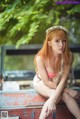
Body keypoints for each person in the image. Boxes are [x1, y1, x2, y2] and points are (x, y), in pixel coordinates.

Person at [33, 26, 80, 119]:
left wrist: (56, 97)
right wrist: (68, 90)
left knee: (62, 96)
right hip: (41, 82)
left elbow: (64, 78)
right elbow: (46, 82)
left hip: (57, 84)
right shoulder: (40, 58)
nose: (61, 44)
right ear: (49, 43)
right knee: (59, 95)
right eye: (57, 41)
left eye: (64, 41)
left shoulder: (68, 56)